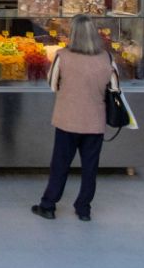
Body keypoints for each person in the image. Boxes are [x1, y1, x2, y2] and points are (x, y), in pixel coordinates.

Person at [33, 14, 116, 221]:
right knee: (90, 168)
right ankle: (84, 208)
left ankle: (49, 205)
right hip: (94, 121)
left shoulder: (63, 56)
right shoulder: (107, 58)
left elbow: (52, 85)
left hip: (67, 119)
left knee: (60, 164)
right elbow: (114, 88)